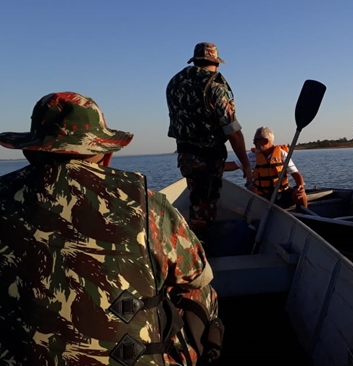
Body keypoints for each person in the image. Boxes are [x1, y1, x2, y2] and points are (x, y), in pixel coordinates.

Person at [0, 92, 223, 365]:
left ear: (29, 152)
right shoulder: (146, 203)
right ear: (105, 155)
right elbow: (198, 275)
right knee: (200, 291)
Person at [166, 41, 252, 240]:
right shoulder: (215, 86)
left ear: (195, 60)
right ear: (216, 63)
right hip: (207, 159)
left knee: (196, 198)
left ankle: (195, 241)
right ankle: (200, 254)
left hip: (185, 156)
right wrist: (246, 165)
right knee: (204, 209)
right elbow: (233, 131)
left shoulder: (174, 82)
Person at [224, 126, 308, 209]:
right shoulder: (252, 157)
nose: (254, 143)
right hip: (263, 197)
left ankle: (303, 217)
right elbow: (231, 166)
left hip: (282, 193)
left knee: (301, 195)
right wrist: (214, 165)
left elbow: (296, 174)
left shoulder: (282, 154)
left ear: (266, 141)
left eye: (256, 140)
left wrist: (300, 186)